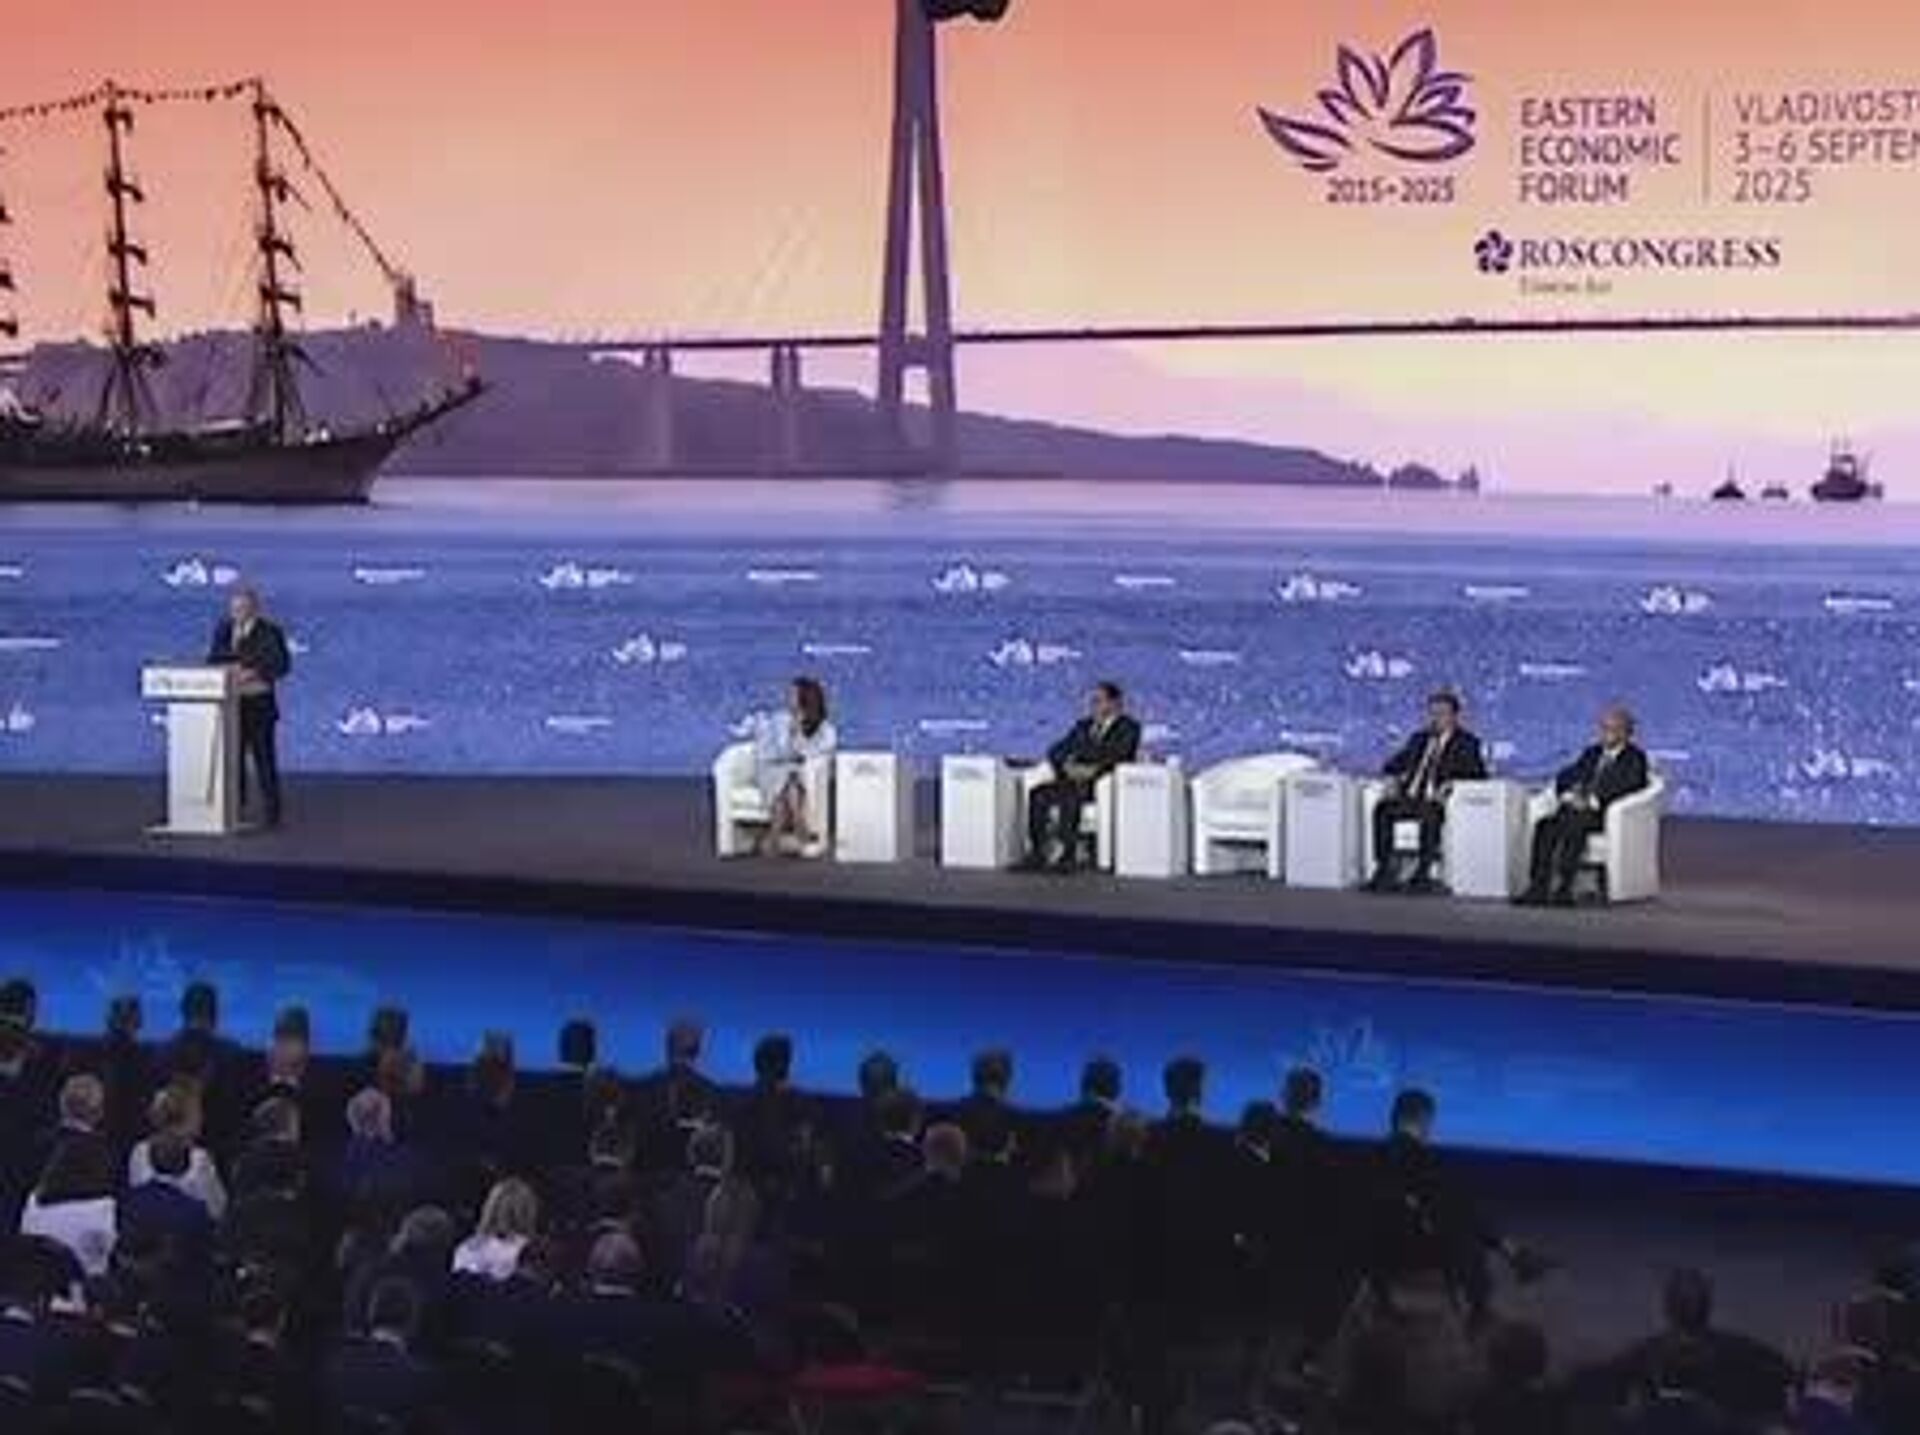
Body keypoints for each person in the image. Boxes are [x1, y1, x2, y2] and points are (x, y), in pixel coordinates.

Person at [1518, 704, 1652, 907]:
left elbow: (1630, 786)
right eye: (1604, 728)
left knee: (1575, 824)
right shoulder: (1592, 753)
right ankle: (1538, 887)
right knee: (1545, 826)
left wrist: (1592, 800)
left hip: (1603, 814)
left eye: (1613, 729)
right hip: (1574, 809)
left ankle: (1564, 888)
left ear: (1626, 733)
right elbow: (1568, 775)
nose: (1606, 733)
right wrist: (1569, 794)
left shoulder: (1635, 757)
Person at [1368, 689, 1488, 893]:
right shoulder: (1419, 739)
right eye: (1432, 713)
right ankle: (1384, 870)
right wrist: (1392, 779)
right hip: (1410, 797)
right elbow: (1391, 765)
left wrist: (1452, 784)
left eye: (1441, 714)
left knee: (1429, 814)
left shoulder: (1467, 742)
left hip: (1439, 800)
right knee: (1383, 809)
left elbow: (1478, 775)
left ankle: (1422, 874)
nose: (1436, 719)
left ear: (1454, 717)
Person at [1022, 680, 1142, 872]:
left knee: (1070, 797)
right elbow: (1056, 750)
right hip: (1070, 779)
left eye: (1098, 700)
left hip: (1099, 784)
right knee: (1038, 794)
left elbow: (1120, 755)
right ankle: (1037, 853)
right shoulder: (1082, 726)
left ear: (1114, 703)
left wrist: (1091, 768)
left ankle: (1068, 855)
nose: (1093, 705)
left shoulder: (1129, 727)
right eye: (1092, 701)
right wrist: (1067, 766)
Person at [207, 584, 292, 828]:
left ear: (254, 608)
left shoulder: (270, 631)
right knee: (233, 762)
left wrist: (252, 672)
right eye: (234, 608)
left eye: (243, 608)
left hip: (259, 707)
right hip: (231, 706)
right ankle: (235, 809)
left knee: (264, 761)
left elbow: (281, 665)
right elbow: (213, 659)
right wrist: (226, 671)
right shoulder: (224, 629)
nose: (238, 613)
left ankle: (272, 814)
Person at [751, 675, 837, 857]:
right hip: (772, 768)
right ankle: (800, 831)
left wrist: (798, 735)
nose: (788, 698)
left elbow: (814, 753)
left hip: (797, 771)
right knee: (789, 780)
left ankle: (774, 840)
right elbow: (778, 752)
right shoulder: (780, 720)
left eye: (792, 694)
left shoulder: (825, 728)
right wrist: (792, 733)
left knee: (791, 783)